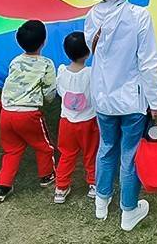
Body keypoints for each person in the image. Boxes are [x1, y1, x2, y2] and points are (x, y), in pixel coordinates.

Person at [83, 0, 157, 231]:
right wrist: (155, 102)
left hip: (103, 96)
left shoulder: (91, 15)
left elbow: (93, 51)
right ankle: (129, 209)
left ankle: (102, 201)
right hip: (132, 98)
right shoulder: (140, 17)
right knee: (130, 152)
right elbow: (149, 63)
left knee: (106, 147)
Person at [0, 20, 57, 202]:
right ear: (44, 41)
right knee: (44, 146)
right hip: (28, 114)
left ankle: (3, 185)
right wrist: (49, 101)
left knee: (12, 150)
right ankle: (46, 176)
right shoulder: (46, 64)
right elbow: (49, 89)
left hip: (7, 112)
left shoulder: (15, 61)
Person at [53, 32, 99, 204]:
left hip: (66, 121)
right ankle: (93, 184)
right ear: (88, 52)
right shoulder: (90, 73)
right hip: (88, 121)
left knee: (66, 154)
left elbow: (59, 91)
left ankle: (61, 187)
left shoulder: (62, 71)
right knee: (91, 153)